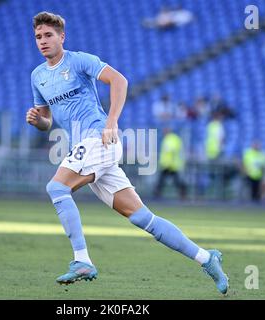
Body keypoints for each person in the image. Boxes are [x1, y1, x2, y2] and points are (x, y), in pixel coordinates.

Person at [26, 12, 228, 294]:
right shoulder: (37, 76)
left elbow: (119, 81)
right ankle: (206, 258)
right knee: (143, 218)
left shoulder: (79, 60)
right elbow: (47, 121)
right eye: (38, 37)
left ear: (62, 37)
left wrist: (111, 123)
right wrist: (39, 122)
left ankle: (82, 260)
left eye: (48, 35)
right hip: (83, 148)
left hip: (99, 138)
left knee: (57, 188)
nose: (43, 41)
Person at [154, 128, 188, 200]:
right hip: (167, 165)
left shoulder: (173, 139)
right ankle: (157, 194)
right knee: (162, 181)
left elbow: (173, 150)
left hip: (172, 165)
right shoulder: (167, 139)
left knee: (176, 181)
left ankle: (183, 194)